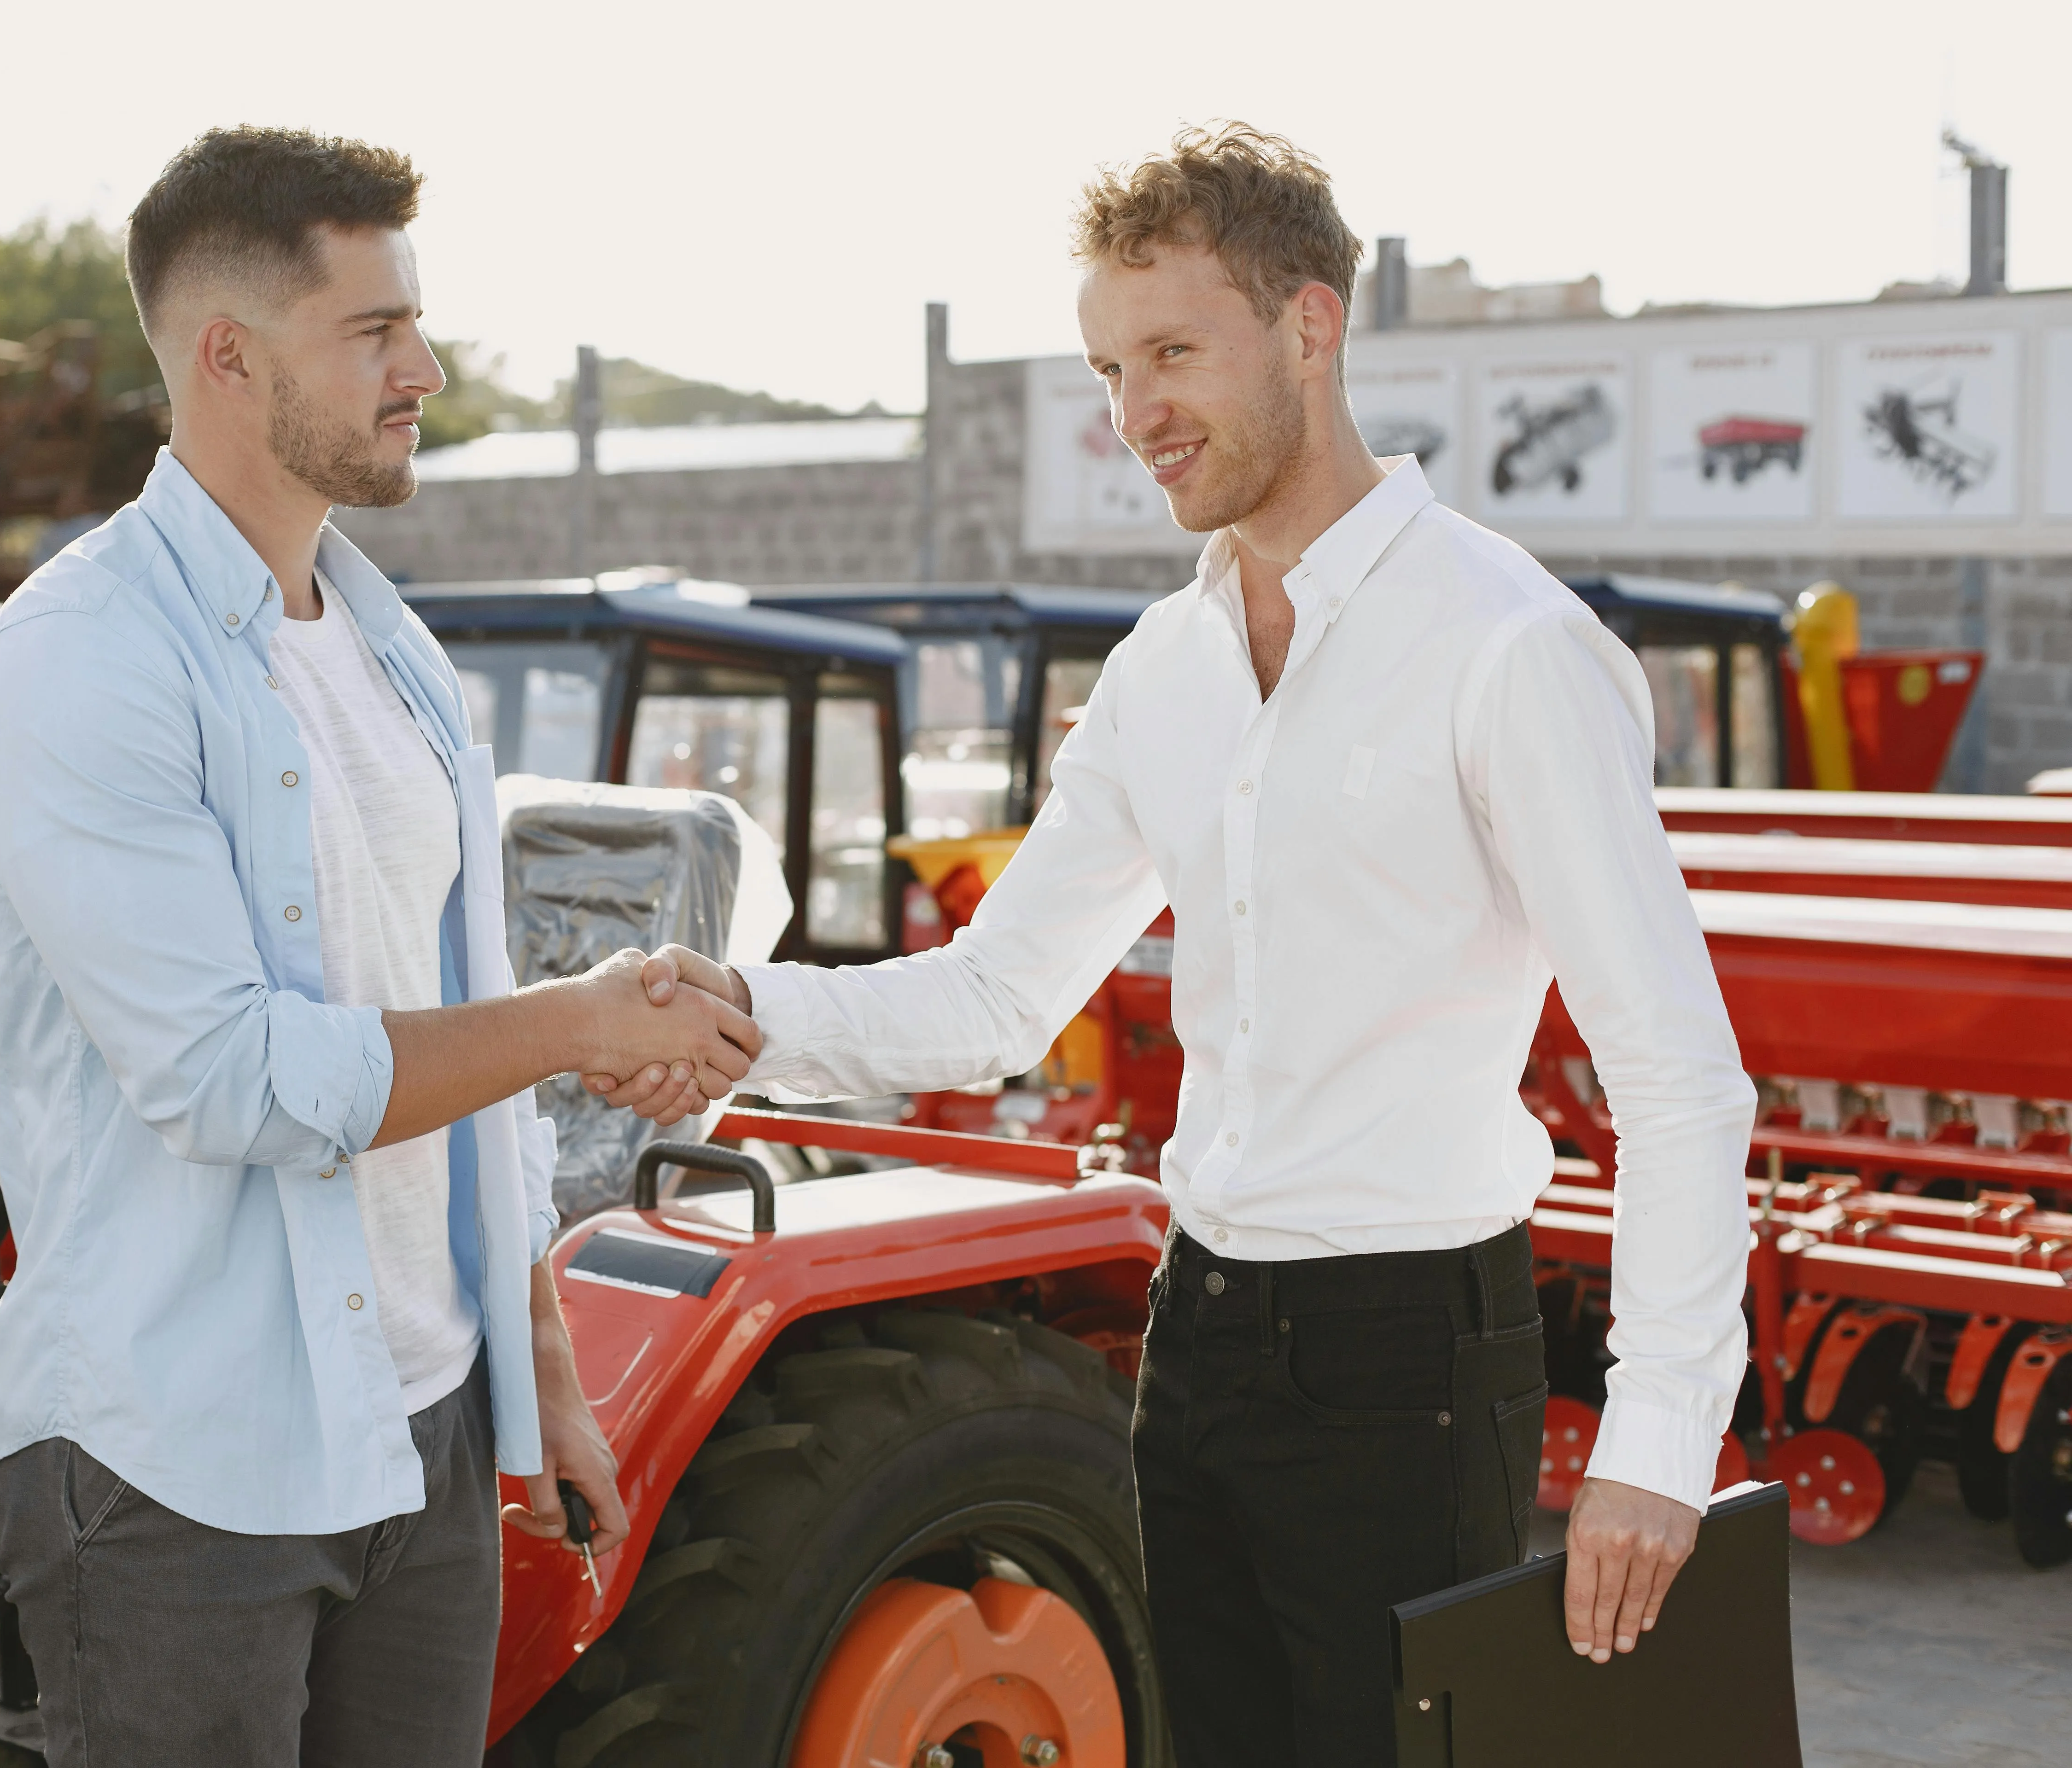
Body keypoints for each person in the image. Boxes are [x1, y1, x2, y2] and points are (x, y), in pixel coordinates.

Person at [591, 123, 1754, 1767]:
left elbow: (1678, 1074)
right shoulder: (1163, 668)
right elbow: (1000, 995)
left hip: (1409, 1362)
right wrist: (738, 1013)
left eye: (1172, 354)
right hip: (1195, 1336)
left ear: (1309, 326)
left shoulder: (1506, 646)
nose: (1135, 412)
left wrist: (1658, 1441)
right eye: (1109, 369)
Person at [0, 126, 758, 1767]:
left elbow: (457, 1021)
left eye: (416, 326)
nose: (424, 371)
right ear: (229, 358)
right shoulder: (81, 660)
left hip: (421, 1433)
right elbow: (234, 1082)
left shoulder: (393, 650)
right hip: (178, 1469)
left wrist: (540, 1368)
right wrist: (585, 1021)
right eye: (375, 331)